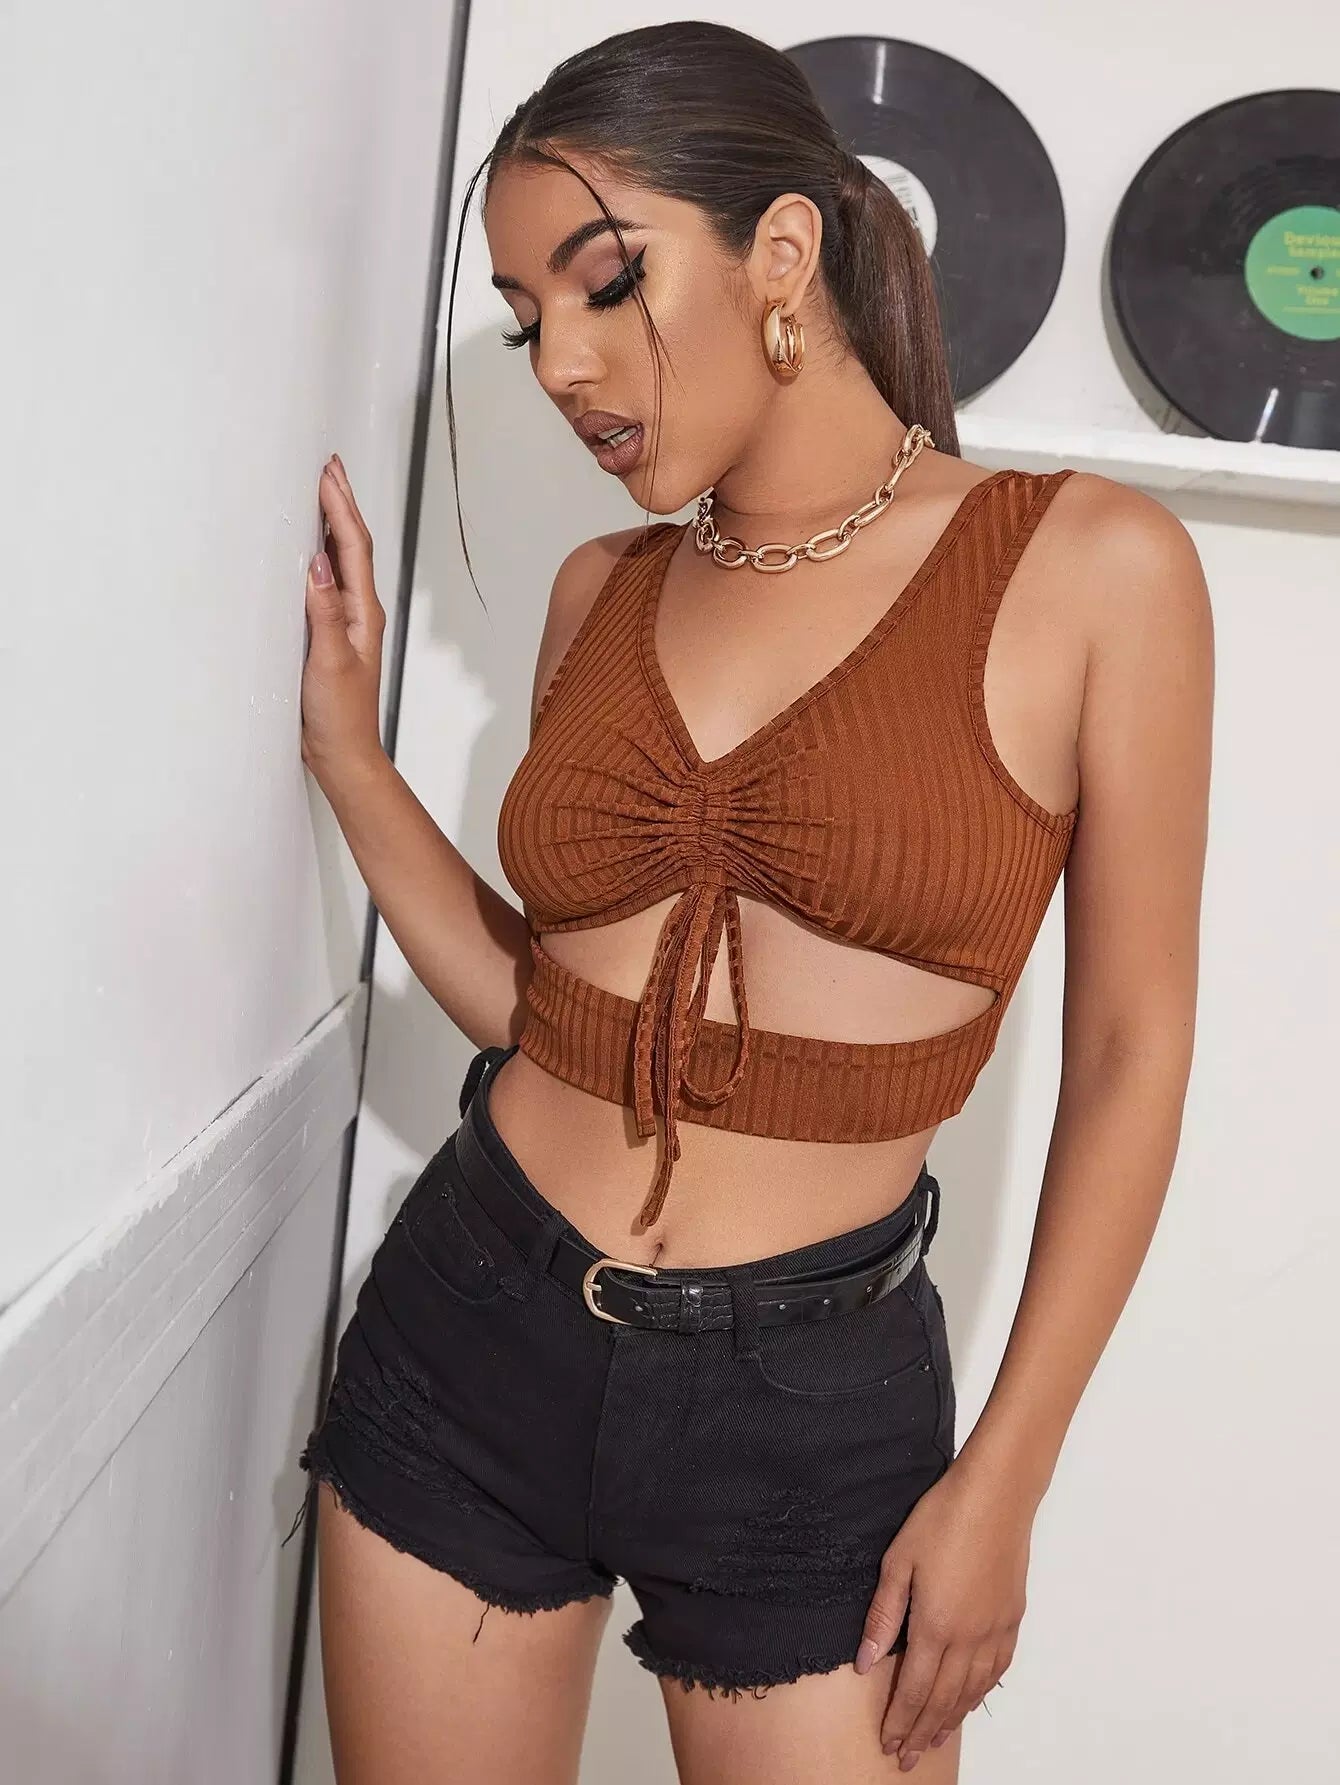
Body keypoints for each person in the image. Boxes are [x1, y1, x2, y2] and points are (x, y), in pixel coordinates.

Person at [288, 21, 1213, 1784]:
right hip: (469, 1338)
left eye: (606, 282)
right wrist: (350, 758)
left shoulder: (1094, 570)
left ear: (782, 252)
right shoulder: (598, 592)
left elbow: (1131, 1057)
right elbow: (548, 1018)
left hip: (813, 1427)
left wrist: (1007, 1478)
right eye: (524, 317)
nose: (561, 362)